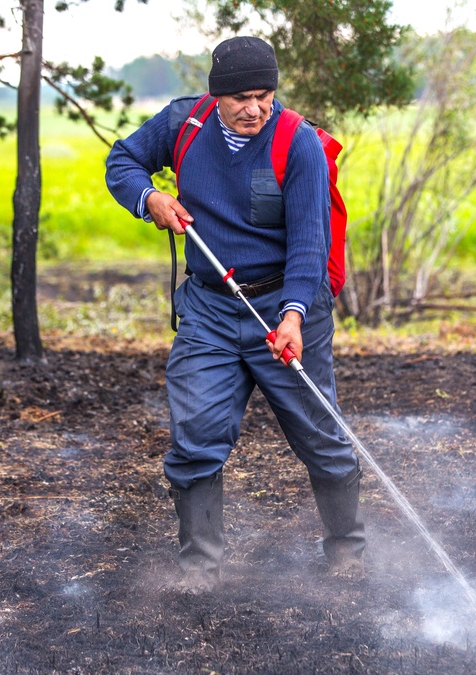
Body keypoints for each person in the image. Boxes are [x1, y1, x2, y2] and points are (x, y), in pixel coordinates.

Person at [104, 36, 364, 593]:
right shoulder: (184, 124)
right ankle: (200, 571)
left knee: (321, 435)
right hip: (209, 309)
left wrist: (293, 317)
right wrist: (148, 197)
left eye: (265, 94)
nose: (256, 108)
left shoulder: (299, 145)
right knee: (196, 437)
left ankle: (347, 552)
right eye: (243, 97)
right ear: (216, 95)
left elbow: (310, 246)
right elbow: (121, 160)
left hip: (287, 303)